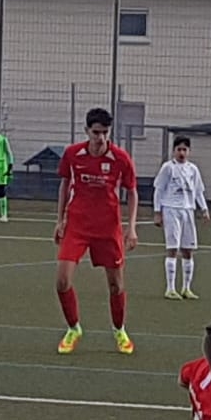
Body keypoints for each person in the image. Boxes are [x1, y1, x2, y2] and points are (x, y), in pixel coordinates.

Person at [54, 107, 140, 355]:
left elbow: (132, 192)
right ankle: (73, 328)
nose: (100, 137)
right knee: (62, 281)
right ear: (87, 131)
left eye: (105, 132)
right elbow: (65, 184)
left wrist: (131, 227)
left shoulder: (121, 158)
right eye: (96, 132)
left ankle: (119, 330)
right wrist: (60, 220)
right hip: (77, 225)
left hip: (108, 228)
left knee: (116, 285)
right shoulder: (72, 154)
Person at [153, 135, 211, 300]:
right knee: (172, 248)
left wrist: (204, 209)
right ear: (174, 151)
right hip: (171, 209)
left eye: (185, 149)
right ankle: (170, 288)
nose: (182, 153)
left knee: (188, 250)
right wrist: (157, 212)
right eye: (179, 149)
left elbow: (198, 191)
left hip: (188, 210)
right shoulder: (168, 168)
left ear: (189, 151)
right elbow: (159, 190)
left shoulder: (193, 169)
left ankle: (186, 288)